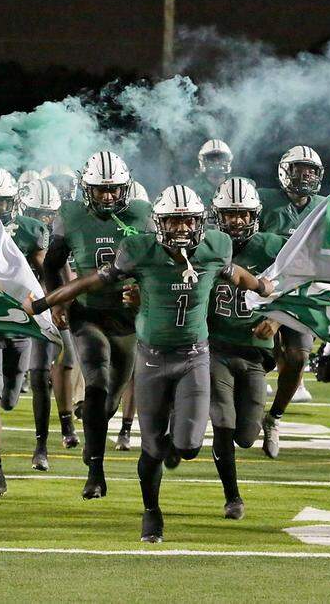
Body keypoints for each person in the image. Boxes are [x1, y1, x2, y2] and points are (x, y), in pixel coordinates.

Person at [28, 184, 275, 543]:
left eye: (187, 222)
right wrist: (45, 303)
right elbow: (90, 281)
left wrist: (261, 286)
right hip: (152, 358)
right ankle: (151, 514)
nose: (181, 230)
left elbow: (234, 273)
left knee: (188, 447)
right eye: (173, 223)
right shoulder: (138, 251)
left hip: (194, 356)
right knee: (152, 447)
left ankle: (173, 448)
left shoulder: (213, 247)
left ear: (199, 222)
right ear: (158, 224)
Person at [41, 151, 152, 499]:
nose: (107, 196)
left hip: (128, 318)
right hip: (87, 313)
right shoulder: (70, 216)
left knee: (108, 402)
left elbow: (159, 264)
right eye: (100, 190)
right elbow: (51, 263)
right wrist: (57, 299)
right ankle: (95, 473)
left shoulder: (141, 214)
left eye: (113, 190)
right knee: (97, 381)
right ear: (85, 188)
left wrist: (144, 294)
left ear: (125, 187)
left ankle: (94, 425)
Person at [207, 177, 285, 519]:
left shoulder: (272, 246)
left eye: (242, 213)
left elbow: (300, 285)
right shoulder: (207, 245)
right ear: (217, 215)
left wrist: (279, 319)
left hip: (254, 352)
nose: (236, 220)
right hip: (216, 347)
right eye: (229, 213)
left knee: (246, 436)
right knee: (222, 422)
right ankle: (233, 497)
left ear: (254, 214)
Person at [0, 167, 47, 496]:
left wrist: (54, 304)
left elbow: (51, 272)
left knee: (9, 397)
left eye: (2, 202)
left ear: (14, 201)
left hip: (20, 322)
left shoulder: (31, 231)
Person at [258, 146, 326, 453]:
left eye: (311, 170)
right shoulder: (264, 202)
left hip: (300, 294)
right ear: (286, 171)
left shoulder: (324, 207)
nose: (306, 175)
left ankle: (274, 417)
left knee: (298, 357)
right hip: (258, 291)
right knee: (259, 357)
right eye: (300, 169)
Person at [18, 178, 80, 466]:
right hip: (24, 308)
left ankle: (66, 423)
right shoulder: (13, 235)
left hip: (51, 305)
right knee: (38, 375)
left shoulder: (58, 236)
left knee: (65, 363)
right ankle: (40, 444)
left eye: (49, 215)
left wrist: (68, 301)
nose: (45, 221)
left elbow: (63, 273)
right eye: (38, 214)